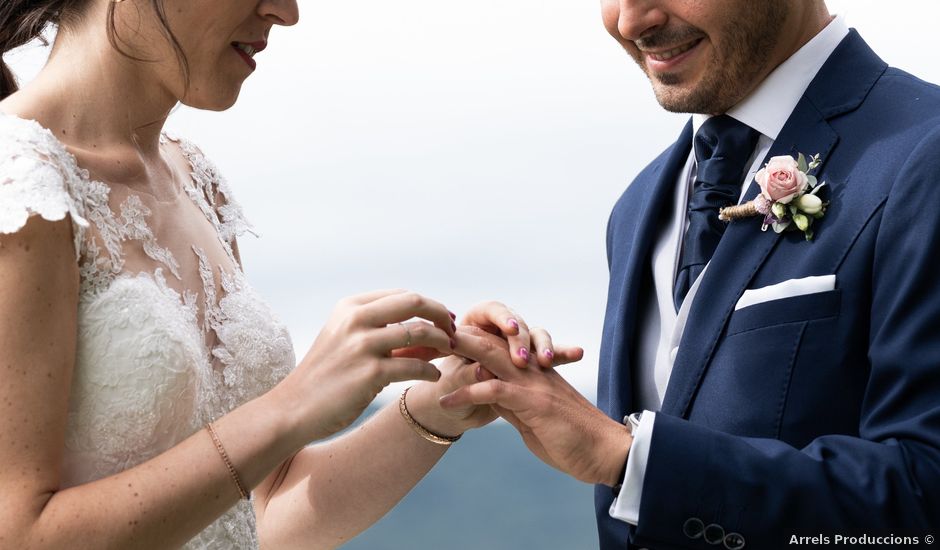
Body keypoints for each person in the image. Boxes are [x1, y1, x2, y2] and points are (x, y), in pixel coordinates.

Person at [0, 1, 582, 548]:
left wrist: (438, 404)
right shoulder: (17, 183)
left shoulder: (193, 178)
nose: (288, 11)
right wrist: (293, 403)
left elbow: (264, 514)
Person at [441, 1, 940, 547]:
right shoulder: (636, 208)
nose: (632, 22)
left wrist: (627, 458)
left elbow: (926, 494)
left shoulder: (926, 151)